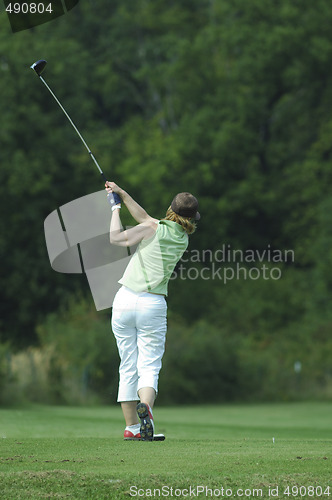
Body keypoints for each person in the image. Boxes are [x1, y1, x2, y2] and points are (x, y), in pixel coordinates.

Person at [105, 181, 200, 441]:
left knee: (128, 364)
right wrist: (123, 194)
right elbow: (145, 217)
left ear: (170, 209)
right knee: (149, 364)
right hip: (152, 305)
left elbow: (117, 238)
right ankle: (146, 407)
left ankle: (131, 427)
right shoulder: (182, 238)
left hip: (124, 300)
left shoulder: (152, 227)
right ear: (192, 218)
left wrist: (115, 208)